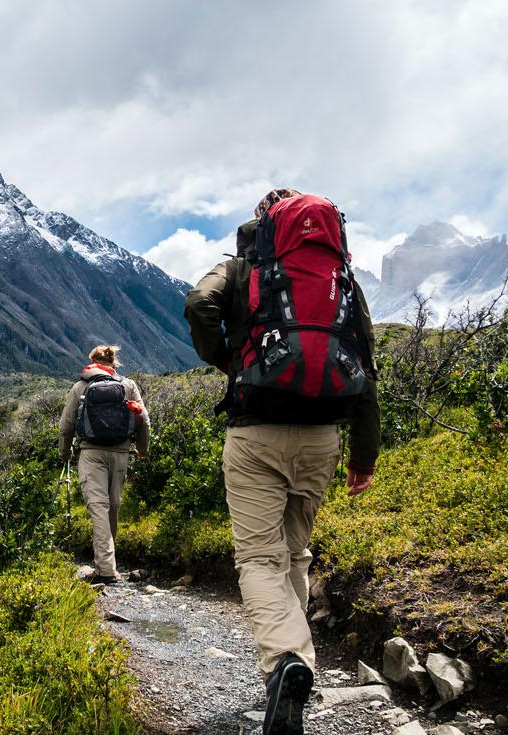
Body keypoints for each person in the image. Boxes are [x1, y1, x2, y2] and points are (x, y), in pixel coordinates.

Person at [184, 188, 381, 735]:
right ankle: (299, 665)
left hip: (256, 432)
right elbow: (363, 364)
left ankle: (285, 662)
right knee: (294, 551)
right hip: (323, 438)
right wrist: (364, 454)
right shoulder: (341, 280)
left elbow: (198, 305)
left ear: (264, 223)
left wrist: (228, 359)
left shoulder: (243, 268)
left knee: (258, 559)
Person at [58, 345, 150, 585]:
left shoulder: (80, 387)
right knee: (113, 506)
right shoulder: (127, 385)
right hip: (120, 453)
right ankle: (108, 564)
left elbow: (66, 425)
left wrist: (65, 451)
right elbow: (143, 419)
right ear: (114, 363)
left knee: (98, 507)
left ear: (91, 362)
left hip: (91, 453)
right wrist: (142, 448)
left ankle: (106, 570)